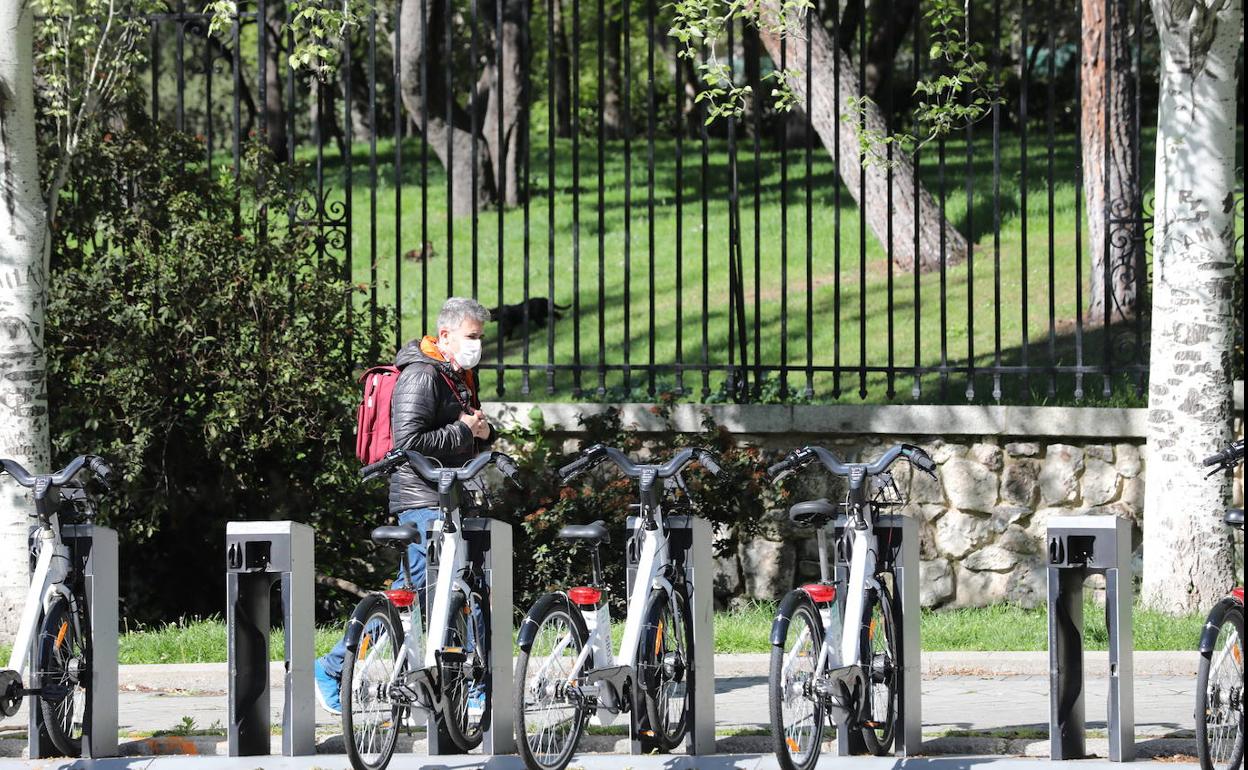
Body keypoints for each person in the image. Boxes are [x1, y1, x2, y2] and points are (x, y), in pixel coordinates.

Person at [315, 297, 494, 715]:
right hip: (422, 500)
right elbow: (406, 444)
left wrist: (482, 432)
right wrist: (465, 431)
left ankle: (335, 667)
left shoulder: (457, 374)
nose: (477, 345)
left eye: (481, 337)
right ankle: (334, 667)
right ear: (445, 335)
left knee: (418, 591)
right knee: (441, 593)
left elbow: (464, 434)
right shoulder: (421, 375)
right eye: (472, 336)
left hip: (448, 496)